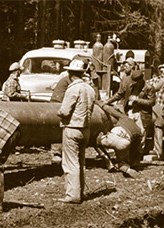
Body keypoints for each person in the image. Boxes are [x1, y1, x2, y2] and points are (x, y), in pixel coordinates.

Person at [56, 59, 96, 204]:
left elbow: (65, 111)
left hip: (72, 128)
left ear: (70, 73)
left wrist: (58, 112)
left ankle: (73, 195)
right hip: (86, 129)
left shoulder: (73, 89)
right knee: (81, 161)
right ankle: (81, 191)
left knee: (70, 163)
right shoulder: (90, 89)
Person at [94, 102, 142, 178]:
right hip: (125, 142)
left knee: (96, 140)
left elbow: (109, 109)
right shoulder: (139, 131)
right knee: (122, 161)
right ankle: (126, 169)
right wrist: (132, 162)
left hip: (114, 137)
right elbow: (135, 149)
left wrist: (99, 102)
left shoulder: (124, 118)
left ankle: (107, 160)